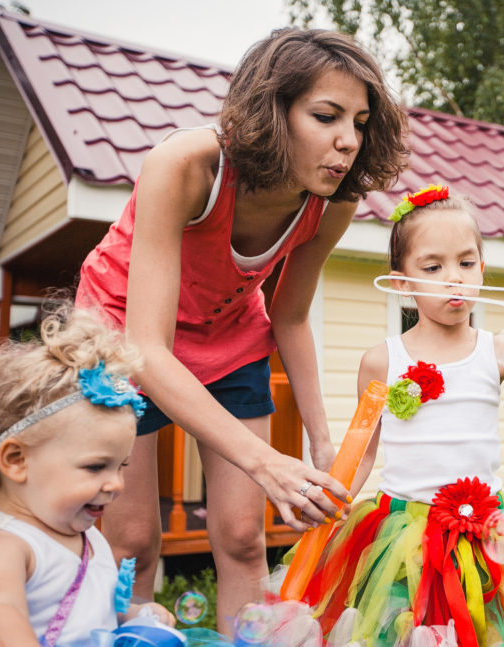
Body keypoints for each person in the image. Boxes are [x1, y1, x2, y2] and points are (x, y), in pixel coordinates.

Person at [74, 27, 409, 629]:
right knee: (133, 544)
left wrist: (322, 441)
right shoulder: (186, 165)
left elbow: (290, 314)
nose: (347, 142)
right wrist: (267, 461)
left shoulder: (332, 201)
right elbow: (146, 348)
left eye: (359, 122)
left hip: (229, 338)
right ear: (272, 110)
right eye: (327, 116)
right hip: (121, 336)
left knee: (244, 539)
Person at [283, 186, 504, 647]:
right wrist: (334, 496)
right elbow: (361, 452)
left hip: (488, 532)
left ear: (483, 270)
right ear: (402, 283)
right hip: (403, 533)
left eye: (466, 263)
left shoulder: (503, 351)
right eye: (433, 267)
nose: (455, 279)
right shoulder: (381, 361)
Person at [0, 307, 174, 646]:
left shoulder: (86, 536)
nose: (116, 484)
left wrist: (132, 617)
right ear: (17, 460)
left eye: (121, 466)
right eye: (95, 467)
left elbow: (84, 613)